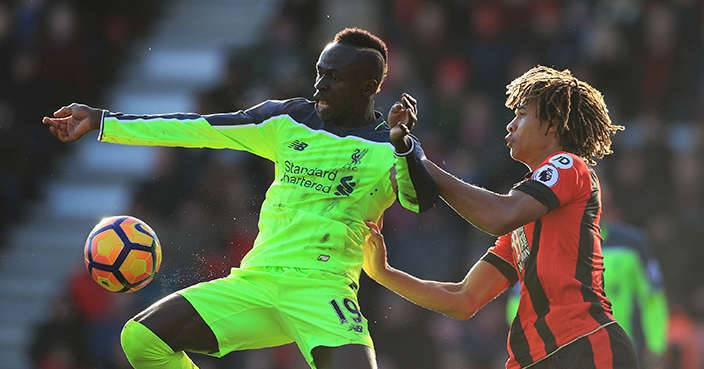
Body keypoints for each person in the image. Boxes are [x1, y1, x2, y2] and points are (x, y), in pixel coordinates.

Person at [42, 27, 438, 369]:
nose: (319, 85)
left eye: (333, 77)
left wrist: (403, 145)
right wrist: (104, 121)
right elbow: (197, 129)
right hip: (258, 282)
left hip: (325, 290)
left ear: (368, 87)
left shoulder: (391, 145)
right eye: (319, 73)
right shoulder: (288, 120)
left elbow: (421, 201)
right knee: (141, 339)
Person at [363, 66, 640, 368]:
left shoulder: (567, 165)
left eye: (521, 115)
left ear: (551, 124)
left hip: (584, 346)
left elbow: (500, 215)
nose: (510, 126)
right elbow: (464, 299)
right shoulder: (521, 225)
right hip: (537, 358)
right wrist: (383, 274)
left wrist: (425, 166)